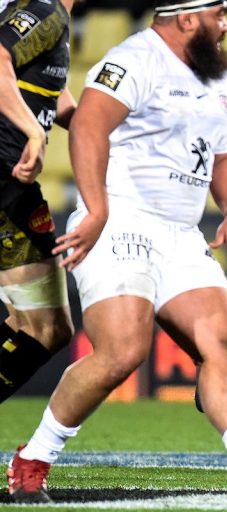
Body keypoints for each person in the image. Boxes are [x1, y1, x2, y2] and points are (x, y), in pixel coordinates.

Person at [6, 0, 227, 505]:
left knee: (221, 344)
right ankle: (32, 461)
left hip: (180, 233)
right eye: (218, 15)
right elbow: (88, 126)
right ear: (186, 19)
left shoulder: (216, 78)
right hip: (121, 220)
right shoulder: (134, 59)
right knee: (122, 351)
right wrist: (97, 207)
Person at [0, 0, 82, 404]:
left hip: (12, 186)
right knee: (44, 327)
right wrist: (34, 132)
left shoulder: (42, 17)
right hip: (6, 180)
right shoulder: (45, 10)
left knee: (38, 325)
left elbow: (57, 100)